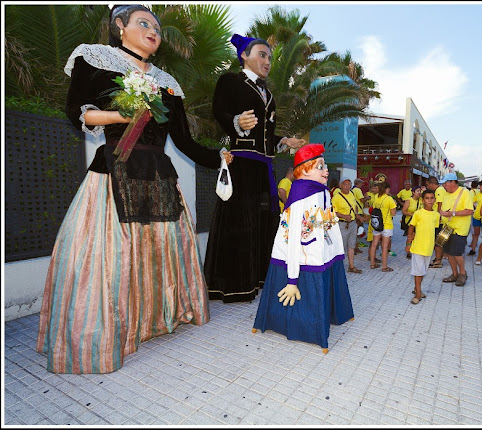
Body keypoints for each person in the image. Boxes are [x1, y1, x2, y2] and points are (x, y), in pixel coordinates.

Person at [36, 5, 229, 374]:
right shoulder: (95, 59)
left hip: (158, 175)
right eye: (144, 23)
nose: (153, 30)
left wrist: (220, 156)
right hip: (112, 171)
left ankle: (155, 318)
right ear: (119, 27)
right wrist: (120, 116)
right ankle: (105, 333)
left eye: (156, 26)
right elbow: (76, 110)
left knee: (159, 252)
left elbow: (185, 142)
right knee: (108, 258)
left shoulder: (168, 81)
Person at [204, 34, 305, 303]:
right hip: (241, 164)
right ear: (244, 56)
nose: (267, 61)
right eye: (262, 54)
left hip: (263, 168)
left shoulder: (268, 94)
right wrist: (236, 121)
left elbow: (265, 136)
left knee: (262, 223)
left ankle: (258, 280)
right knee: (240, 223)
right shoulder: (230, 81)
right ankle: (234, 287)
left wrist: (283, 140)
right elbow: (219, 112)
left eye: (270, 57)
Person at [252, 144, 353, 353]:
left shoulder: (322, 191)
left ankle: (334, 315)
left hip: (323, 253)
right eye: (320, 166)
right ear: (305, 170)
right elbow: (293, 237)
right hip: (302, 258)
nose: (326, 171)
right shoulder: (300, 195)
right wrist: (292, 280)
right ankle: (302, 327)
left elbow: (328, 223)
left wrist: (335, 252)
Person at [438, 173, 474, 287]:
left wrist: (452, 213)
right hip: (447, 227)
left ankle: (462, 273)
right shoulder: (446, 194)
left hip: (460, 228)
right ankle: (454, 274)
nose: (444, 186)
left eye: (445, 183)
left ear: (453, 182)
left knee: (457, 253)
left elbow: (469, 211)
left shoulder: (465, 192)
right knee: (448, 252)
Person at [405, 189, 439, 304]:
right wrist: (409, 243)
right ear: (423, 200)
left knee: (423, 271)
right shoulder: (418, 213)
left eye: (432, 198)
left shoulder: (436, 215)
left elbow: (433, 230)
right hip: (418, 247)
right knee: (418, 271)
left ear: (435, 200)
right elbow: (411, 227)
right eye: (427, 198)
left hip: (428, 248)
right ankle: (418, 294)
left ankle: (416, 289)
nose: (429, 200)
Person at [332, 177, 365, 274]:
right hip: (342, 224)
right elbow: (333, 212)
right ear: (341, 185)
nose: (347, 186)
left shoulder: (351, 194)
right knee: (341, 247)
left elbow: (354, 206)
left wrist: (358, 216)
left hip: (353, 223)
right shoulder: (336, 197)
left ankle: (351, 266)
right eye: (345, 184)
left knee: (351, 245)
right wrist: (344, 216)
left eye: (349, 184)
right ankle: (339, 268)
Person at [369, 181, 397, 272]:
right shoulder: (389, 199)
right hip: (387, 224)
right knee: (384, 246)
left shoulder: (376, 197)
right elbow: (393, 213)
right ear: (386, 189)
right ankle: (384, 267)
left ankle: (373, 263)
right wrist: (394, 205)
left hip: (377, 224)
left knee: (374, 244)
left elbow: (374, 208)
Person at [425, 176, 444, 268]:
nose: (427, 187)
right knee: (437, 241)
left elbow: (440, 205)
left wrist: (438, 218)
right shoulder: (439, 190)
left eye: (428, 185)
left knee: (437, 241)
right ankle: (438, 258)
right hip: (438, 219)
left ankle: (438, 260)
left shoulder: (439, 190)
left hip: (439, 221)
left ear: (432, 184)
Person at [468, 179, 482, 257]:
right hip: (477, 216)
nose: (479, 187)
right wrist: (476, 206)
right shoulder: (479, 194)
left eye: (480, 186)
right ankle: (473, 250)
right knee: (476, 234)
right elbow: (473, 200)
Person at [352, 178, 369, 252]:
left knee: (356, 229)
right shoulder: (358, 190)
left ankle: (354, 246)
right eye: (361, 184)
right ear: (358, 183)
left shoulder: (352, 190)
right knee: (359, 230)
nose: (362, 185)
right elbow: (362, 199)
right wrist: (367, 198)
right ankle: (355, 247)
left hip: (354, 211)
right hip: (358, 211)